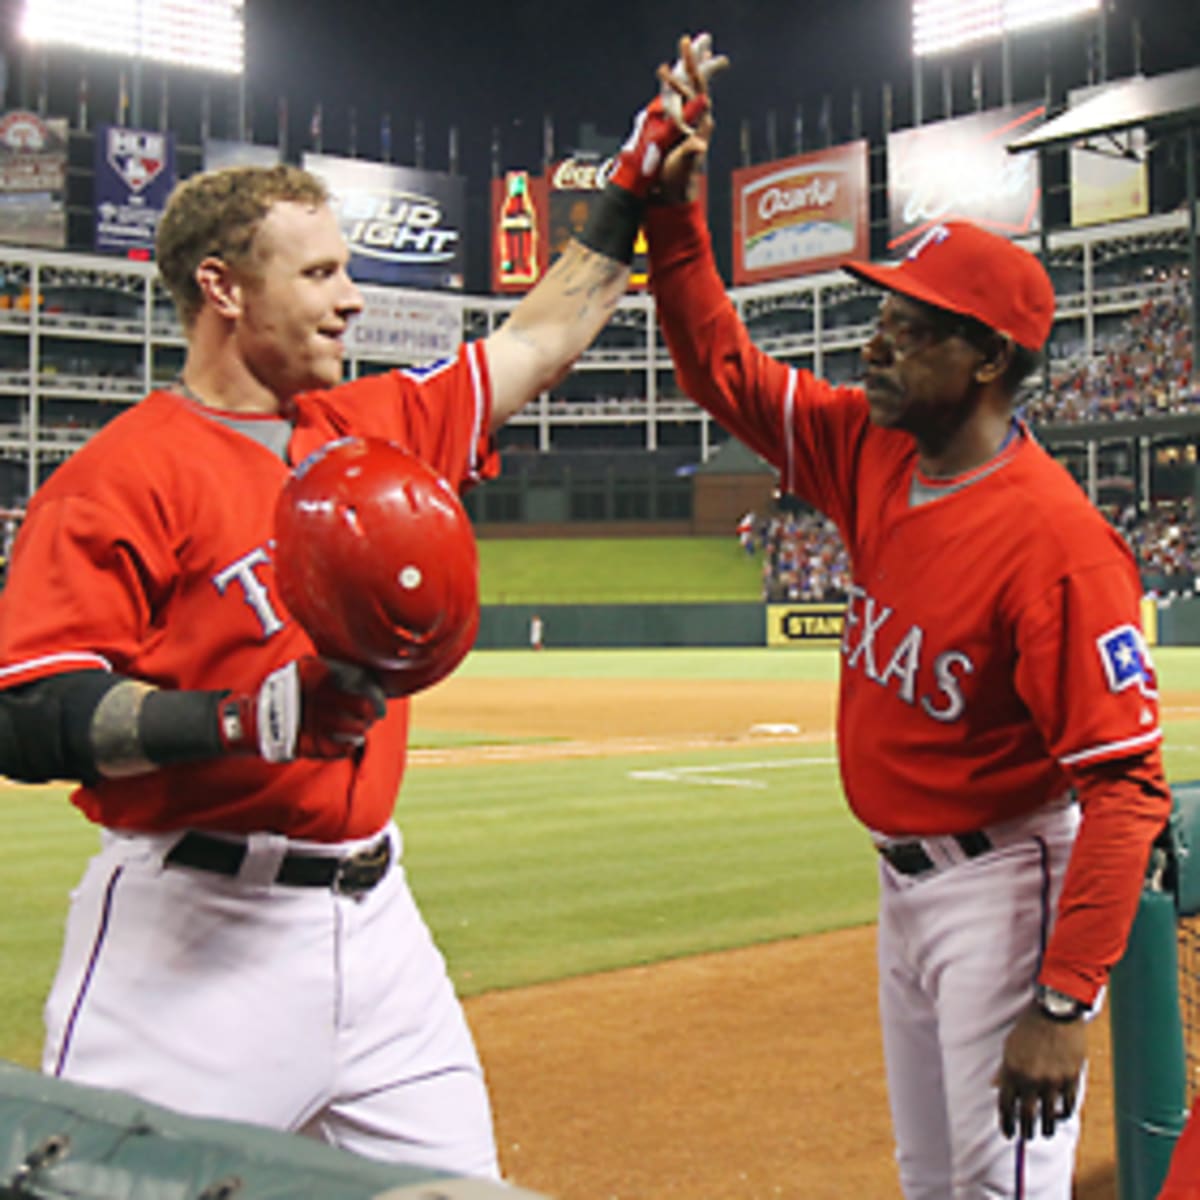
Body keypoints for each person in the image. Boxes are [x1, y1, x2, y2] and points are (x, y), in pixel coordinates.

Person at [0, 54, 696, 1179]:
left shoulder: (376, 427)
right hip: (188, 938)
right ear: (224, 289)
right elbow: (32, 713)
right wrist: (243, 721)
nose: (353, 296)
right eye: (320, 272)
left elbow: (545, 332)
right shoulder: (118, 477)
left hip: (380, 932)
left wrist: (632, 180)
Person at [644, 36, 1171, 1198]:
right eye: (883, 316)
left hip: (1009, 892)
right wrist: (677, 222)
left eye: (912, 328)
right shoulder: (875, 448)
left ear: (987, 359)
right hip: (902, 886)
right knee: (930, 1185)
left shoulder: (1058, 544)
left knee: (997, 1194)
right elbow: (722, 368)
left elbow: (1128, 789)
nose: (874, 343)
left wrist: (1064, 1000)